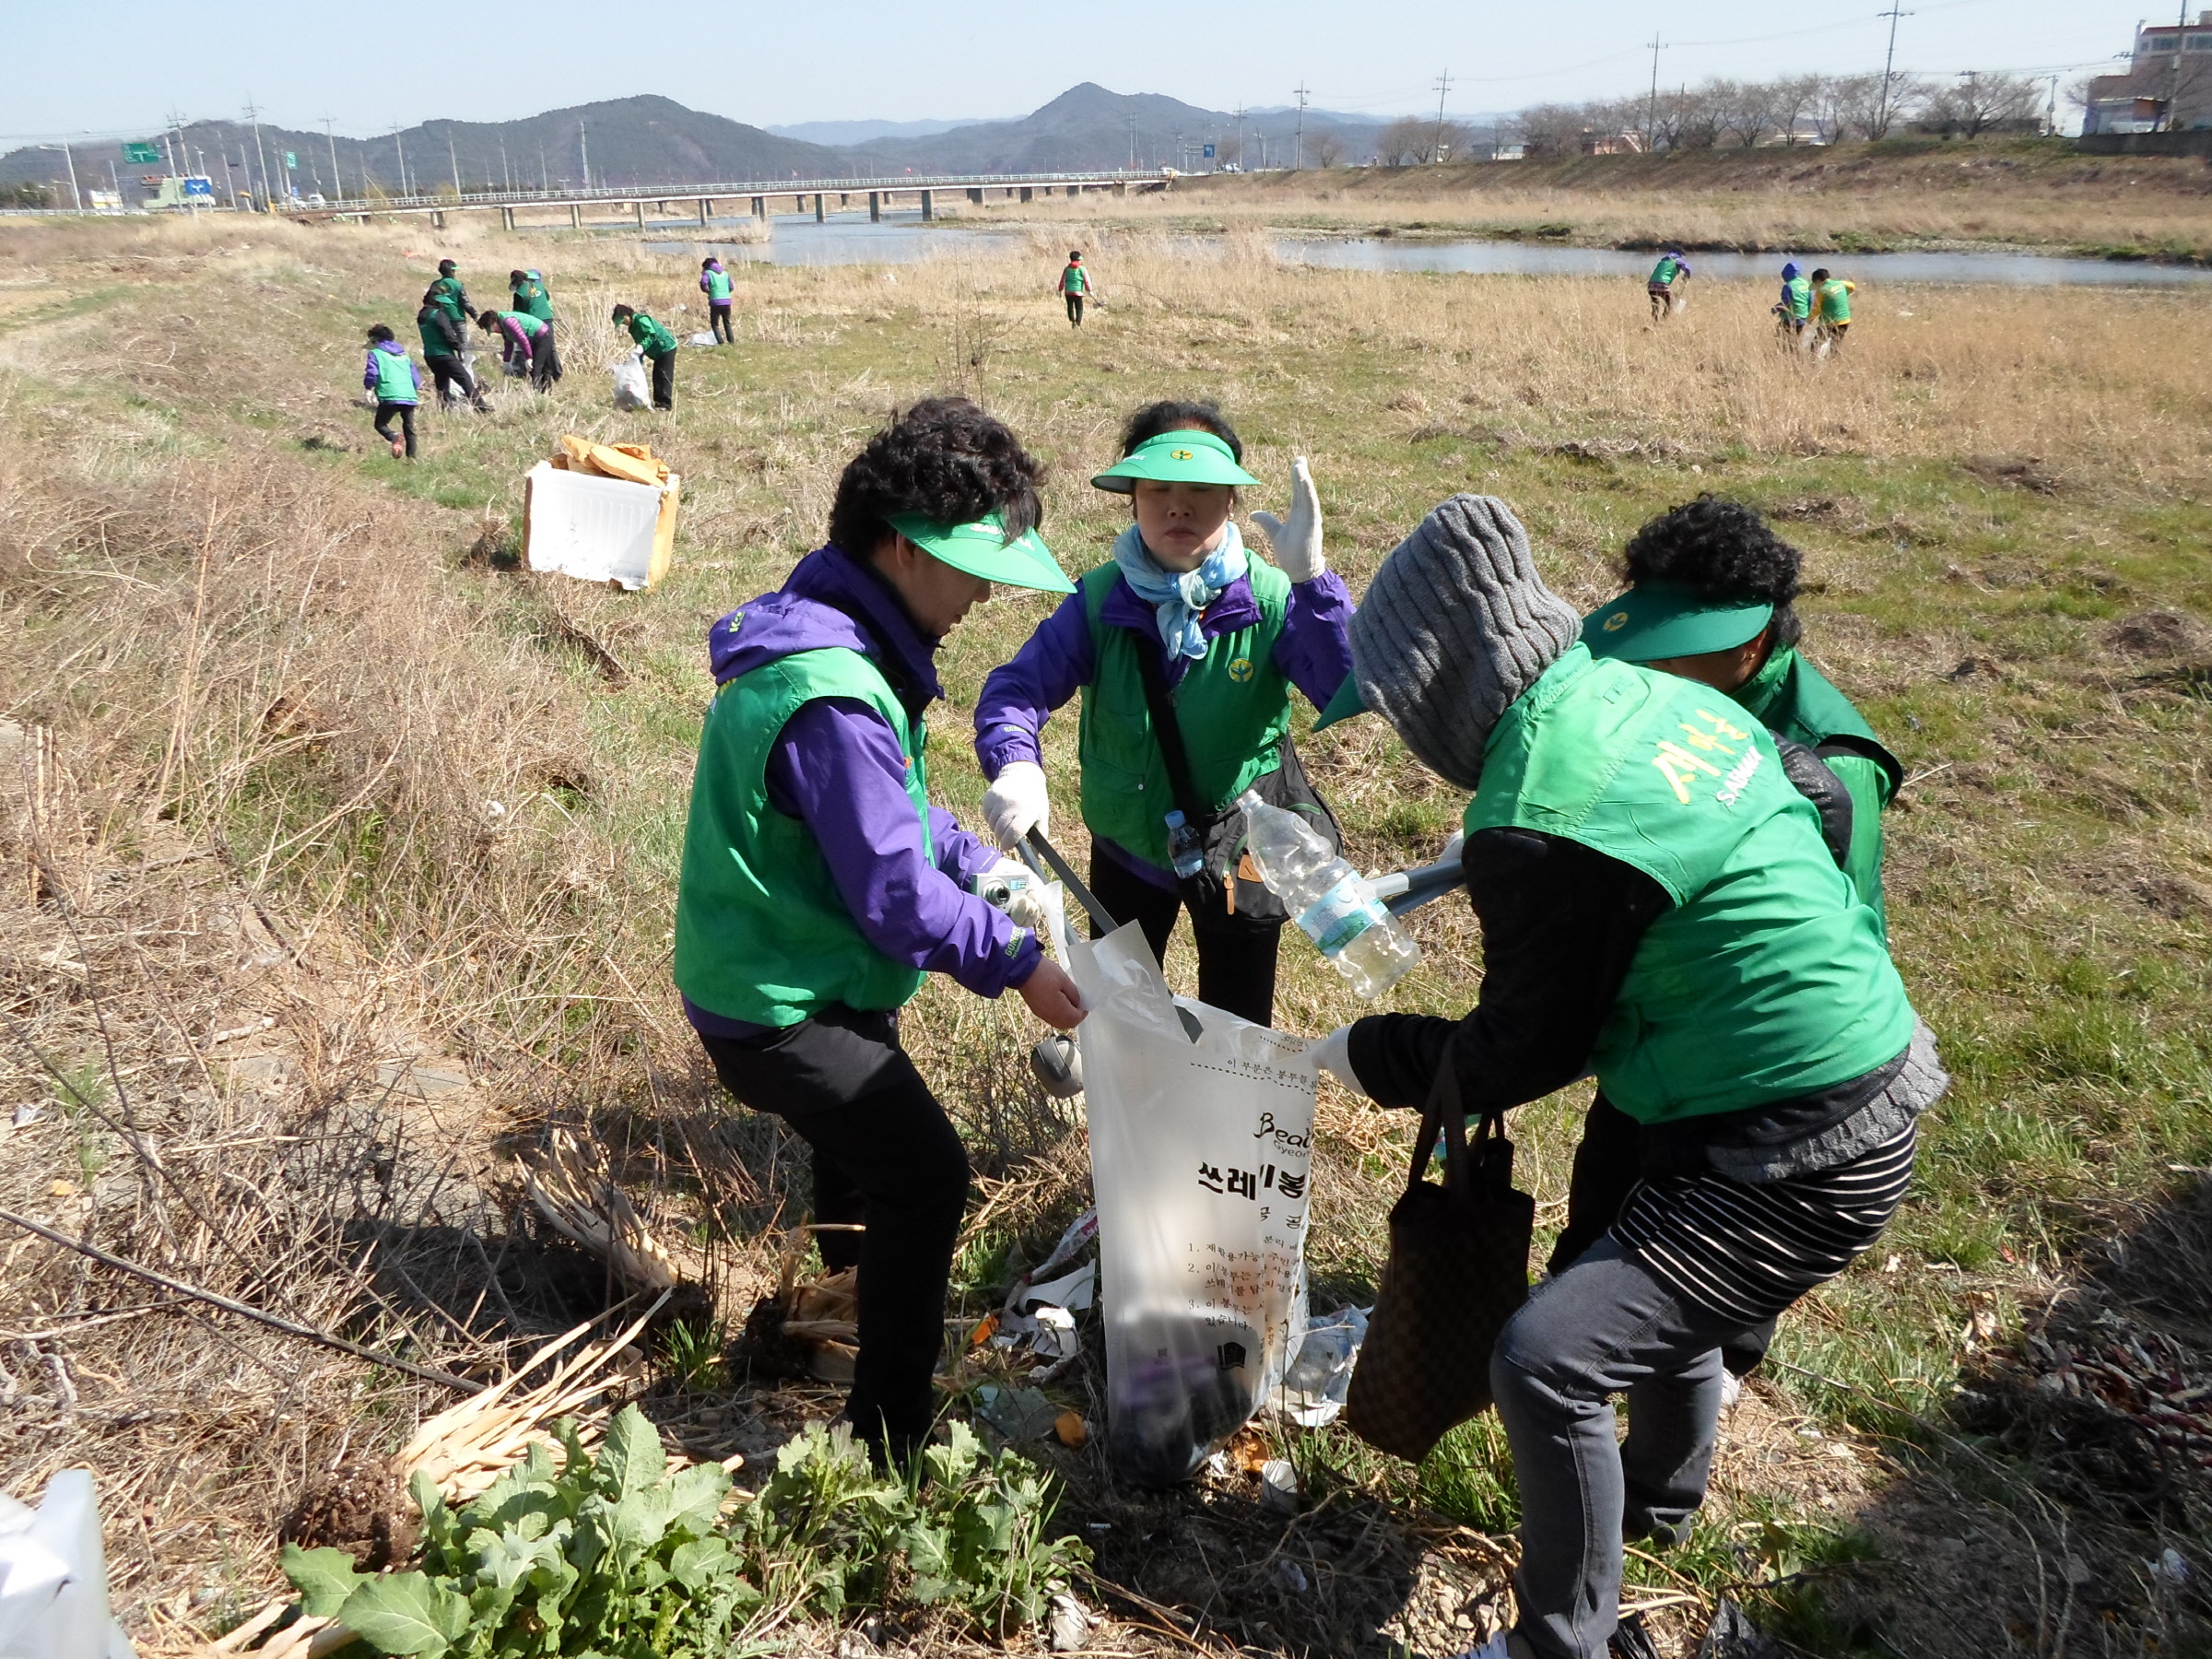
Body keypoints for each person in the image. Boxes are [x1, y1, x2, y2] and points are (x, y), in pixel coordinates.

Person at [1307, 494, 1945, 1659]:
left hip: (1796, 1143)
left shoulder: (1533, 815)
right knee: (1672, 1299)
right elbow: (1807, 787)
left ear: (1442, 694)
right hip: (1857, 1068)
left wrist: (1367, 1056)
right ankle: (1652, 1506)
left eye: (1399, 713)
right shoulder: (1643, 693)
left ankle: (1561, 1641)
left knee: (1546, 1361)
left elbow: (1527, 1050)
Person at [674, 397, 1087, 1465]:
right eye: (972, 566)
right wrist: (1019, 961)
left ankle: (835, 1321)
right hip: (774, 1006)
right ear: (902, 549)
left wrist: (985, 863)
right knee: (930, 1175)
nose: (987, 592)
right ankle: (886, 1442)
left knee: (864, 1160)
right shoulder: (836, 691)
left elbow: (895, 817)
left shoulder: (841, 635)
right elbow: (894, 897)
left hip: (806, 976)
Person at [1547, 495, 1909, 1382]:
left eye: (1677, 643)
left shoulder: (1830, 759)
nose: (1648, 662)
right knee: (1608, 1187)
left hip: (1759, 1058)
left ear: (1751, 645)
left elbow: (1826, 920)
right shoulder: (1658, 689)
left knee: (1709, 1245)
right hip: (1656, 1012)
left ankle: (1698, 1369)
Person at [972, 402, 1352, 1027]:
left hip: (1240, 850)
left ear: (1231, 499)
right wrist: (1016, 765)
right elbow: (1016, 689)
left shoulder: (1270, 600)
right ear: (1132, 499)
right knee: (1122, 1013)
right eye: (1158, 490)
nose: (1179, 506)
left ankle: (1222, 1121)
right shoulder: (1098, 601)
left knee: (1238, 1022)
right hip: (1126, 848)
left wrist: (1312, 584)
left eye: (1201, 489)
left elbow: (1344, 689)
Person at [416, 288, 488, 411]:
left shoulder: (422, 316)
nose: (444, 305)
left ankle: (445, 408)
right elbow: (448, 334)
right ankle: (480, 406)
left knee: (442, 383)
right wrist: (458, 345)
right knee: (465, 379)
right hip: (444, 354)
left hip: (430, 355)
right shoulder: (438, 314)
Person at [362, 324, 420, 460]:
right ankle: (412, 459)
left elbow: (372, 373)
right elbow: (416, 379)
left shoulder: (375, 353)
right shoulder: (404, 356)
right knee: (409, 429)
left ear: (375, 340)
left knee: (380, 424)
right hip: (409, 396)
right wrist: (411, 391)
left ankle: (393, 436)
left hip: (389, 395)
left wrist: (368, 388)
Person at [612, 302, 678, 411]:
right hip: (657, 352)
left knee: (664, 376)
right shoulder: (633, 328)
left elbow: (651, 335)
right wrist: (637, 362)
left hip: (666, 348)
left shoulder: (641, 320)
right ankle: (658, 404)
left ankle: (665, 405)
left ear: (627, 316)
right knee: (656, 377)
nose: (624, 324)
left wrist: (642, 346)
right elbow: (640, 343)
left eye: (623, 321)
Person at [477, 307, 562, 391]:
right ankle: (545, 391)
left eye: (490, 329)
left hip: (543, 335)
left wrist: (529, 358)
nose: (492, 332)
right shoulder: (503, 326)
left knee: (535, 368)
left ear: (493, 322)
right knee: (541, 367)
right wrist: (506, 361)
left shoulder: (509, 322)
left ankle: (538, 393)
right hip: (535, 338)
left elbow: (522, 339)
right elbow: (508, 343)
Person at [426, 258, 470, 353]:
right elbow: (465, 303)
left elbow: (428, 300)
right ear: (451, 271)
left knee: (445, 342)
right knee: (463, 345)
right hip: (458, 318)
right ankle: (464, 363)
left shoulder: (435, 285)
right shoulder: (458, 285)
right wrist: (475, 315)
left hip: (441, 318)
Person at [1810, 266, 1855, 355]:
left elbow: (1816, 310)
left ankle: (1813, 364)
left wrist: (1808, 321)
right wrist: (1845, 293)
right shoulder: (1840, 284)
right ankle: (1834, 362)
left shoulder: (1822, 291)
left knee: (1815, 346)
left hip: (1829, 323)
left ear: (1818, 281)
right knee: (1835, 345)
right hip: (1845, 321)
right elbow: (1852, 286)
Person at [1773, 261, 1811, 349]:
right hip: (1803, 317)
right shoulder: (1806, 284)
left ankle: (1785, 355)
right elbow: (1810, 300)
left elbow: (1786, 302)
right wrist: (1807, 313)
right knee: (1795, 339)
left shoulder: (1788, 286)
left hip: (1790, 318)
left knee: (1780, 337)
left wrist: (1776, 308)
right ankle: (1795, 355)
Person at [1646, 250, 1689, 321]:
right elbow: (1687, 269)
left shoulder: (1663, 261)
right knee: (1670, 304)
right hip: (1662, 284)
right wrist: (1686, 278)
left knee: (1655, 305)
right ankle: (1663, 321)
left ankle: (1655, 321)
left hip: (1651, 285)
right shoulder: (1677, 260)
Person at [700, 257, 735, 344]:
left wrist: (707, 291)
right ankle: (731, 342)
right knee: (727, 322)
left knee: (715, 324)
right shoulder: (725, 273)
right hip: (727, 301)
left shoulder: (708, 273)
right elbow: (731, 287)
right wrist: (726, 293)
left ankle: (720, 342)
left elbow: (703, 283)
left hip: (715, 301)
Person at [510, 267, 555, 331]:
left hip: (534, 323)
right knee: (549, 340)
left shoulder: (519, 293)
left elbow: (517, 315)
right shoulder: (540, 286)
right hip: (547, 319)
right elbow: (547, 299)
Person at [1055, 251, 1092, 326]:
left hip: (1068, 292)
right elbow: (1087, 280)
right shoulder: (1082, 269)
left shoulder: (1067, 269)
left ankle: (1072, 320)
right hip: (1078, 292)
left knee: (1070, 306)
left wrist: (1060, 289)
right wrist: (1089, 290)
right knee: (1079, 308)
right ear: (1078, 260)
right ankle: (1077, 323)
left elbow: (1062, 280)